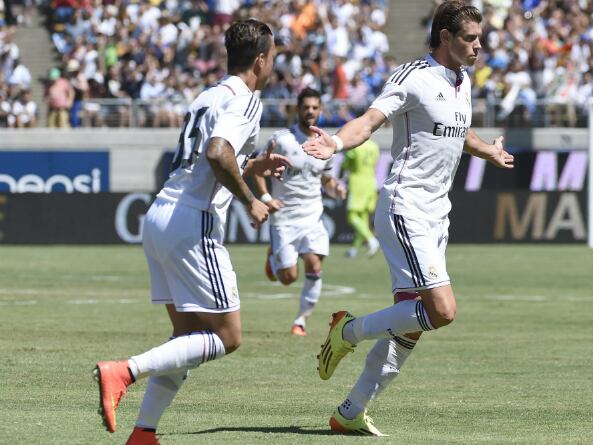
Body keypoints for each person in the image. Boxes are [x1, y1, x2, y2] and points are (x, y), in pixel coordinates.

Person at [303, 1, 514, 436]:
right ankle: (349, 330)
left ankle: (350, 411)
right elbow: (370, 121)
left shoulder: (462, 79)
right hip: (405, 207)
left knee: (411, 323)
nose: (479, 45)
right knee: (441, 311)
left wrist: (487, 150)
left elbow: (458, 131)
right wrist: (337, 144)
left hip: (438, 214)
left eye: (479, 38)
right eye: (470, 38)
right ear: (445, 38)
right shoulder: (413, 76)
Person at [93, 20, 290, 445]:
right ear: (260, 60)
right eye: (273, 57)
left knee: (187, 338)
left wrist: (251, 167)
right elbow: (218, 153)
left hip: (161, 213)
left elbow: (207, 157)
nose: (273, 64)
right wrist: (251, 199)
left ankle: (143, 433)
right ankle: (123, 371)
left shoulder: (209, 94)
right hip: (192, 221)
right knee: (227, 337)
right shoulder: (247, 99)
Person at [254, 87, 347, 337]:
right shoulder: (282, 139)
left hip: (313, 216)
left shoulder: (325, 143)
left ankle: (300, 321)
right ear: (297, 109)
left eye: (314, 107)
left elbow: (325, 177)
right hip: (284, 217)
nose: (310, 112)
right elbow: (258, 170)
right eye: (305, 107)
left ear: (320, 110)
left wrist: (335, 187)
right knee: (287, 278)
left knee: (314, 267)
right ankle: (274, 258)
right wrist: (265, 198)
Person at [339, 138, 380, 259]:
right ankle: (354, 249)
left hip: (358, 184)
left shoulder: (355, 146)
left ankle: (371, 240)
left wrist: (340, 176)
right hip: (371, 183)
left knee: (352, 217)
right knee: (363, 219)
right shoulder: (374, 146)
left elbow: (345, 164)